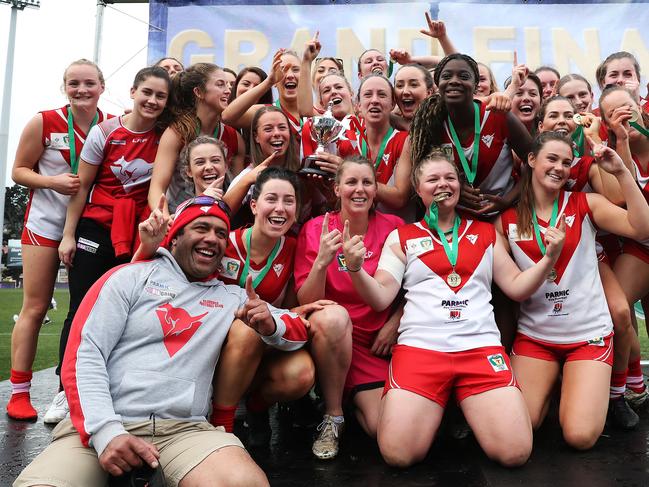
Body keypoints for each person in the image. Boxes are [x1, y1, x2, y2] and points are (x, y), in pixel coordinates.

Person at [14, 198, 308, 487]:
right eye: (201, 228)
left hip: (186, 430)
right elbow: (84, 355)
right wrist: (106, 432)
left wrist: (272, 324)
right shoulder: (128, 277)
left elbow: (298, 329)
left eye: (221, 233)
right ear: (176, 236)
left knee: (245, 483)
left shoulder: (231, 296)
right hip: (98, 427)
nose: (212, 239)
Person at [342, 152, 564, 467]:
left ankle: (457, 406)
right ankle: (441, 408)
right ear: (418, 189)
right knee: (398, 456)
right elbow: (380, 297)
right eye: (433, 179)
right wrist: (355, 270)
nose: (443, 184)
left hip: (479, 349)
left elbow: (516, 286)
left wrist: (548, 260)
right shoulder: (403, 237)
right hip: (420, 350)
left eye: (449, 177)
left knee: (515, 453)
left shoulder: (486, 233)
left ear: (459, 184)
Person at [499, 131, 649, 450]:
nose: (559, 168)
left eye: (567, 162)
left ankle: (588, 392)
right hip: (536, 337)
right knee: (519, 427)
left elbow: (642, 228)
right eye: (551, 159)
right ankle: (558, 389)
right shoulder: (506, 221)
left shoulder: (586, 203)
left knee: (579, 437)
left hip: (587, 337)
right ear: (531, 159)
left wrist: (622, 172)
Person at [51, 67, 172, 425]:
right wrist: (68, 234)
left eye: (160, 96)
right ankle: (63, 389)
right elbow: (81, 186)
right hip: (97, 228)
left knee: (135, 314)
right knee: (82, 309)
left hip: (141, 230)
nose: (152, 101)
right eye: (146, 92)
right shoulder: (105, 132)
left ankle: (118, 390)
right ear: (133, 91)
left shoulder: (166, 135)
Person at [7, 59, 110, 422]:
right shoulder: (44, 121)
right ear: (64, 86)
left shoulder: (110, 125)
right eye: (73, 83)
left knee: (83, 310)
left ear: (102, 85)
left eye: (89, 83)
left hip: (88, 228)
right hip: (44, 226)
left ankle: (70, 390)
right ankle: (19, 392)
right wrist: (53, 181)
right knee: (35, 307)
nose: (81, 90)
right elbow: (18, 171)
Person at [537, 95, 638, 429]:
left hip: (587, 257)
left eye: (570, 114)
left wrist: (596, 142)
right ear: (540, 127)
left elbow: (619, 198)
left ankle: (616, 395)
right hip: (538, 258)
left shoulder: (585, 162)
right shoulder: (528, 159)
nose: (563, 120)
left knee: (621, 312)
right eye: (554, 115)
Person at [295, 157, 404, 459]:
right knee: (334, 317)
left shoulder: (394, 227)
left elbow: (416, 287)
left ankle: (350, 398)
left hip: (378, 342)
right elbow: (307, 303)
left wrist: (395, 323)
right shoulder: (316, 229)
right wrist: (322, 262)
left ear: (375, 189)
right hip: (333, 336)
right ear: (337, 188)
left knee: (383, 429)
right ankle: (333, 415)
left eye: (367, 182)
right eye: (351, 182)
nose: (359, 190)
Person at [408, 53, 532, 218]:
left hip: (502, 215)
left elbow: (536, 162)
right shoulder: (431, 124)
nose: (454, 80)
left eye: (464, 76)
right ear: (438, 84)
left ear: (475, 85)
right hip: (454, 220)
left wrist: (508, 200)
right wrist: (455, 183)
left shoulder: (498, 115)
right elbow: (420, 172)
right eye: (446, 76)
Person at [599, 85, 649, 412]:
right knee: (614, 308)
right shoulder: (608, 151)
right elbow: (620, 197)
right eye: (613, 112)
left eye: (628, 106)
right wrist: (621, 140)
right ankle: (628, 389)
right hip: (639, 245)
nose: (624, 115)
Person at [148, 63, 246, 214]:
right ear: (199, 92)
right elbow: (157, 188)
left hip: (218, 218)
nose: (228, 91)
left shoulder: (234, 138)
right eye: (220, 84)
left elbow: (236, 191)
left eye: (228, 85)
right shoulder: (177, 133)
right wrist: (164, 218)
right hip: (177, 218)